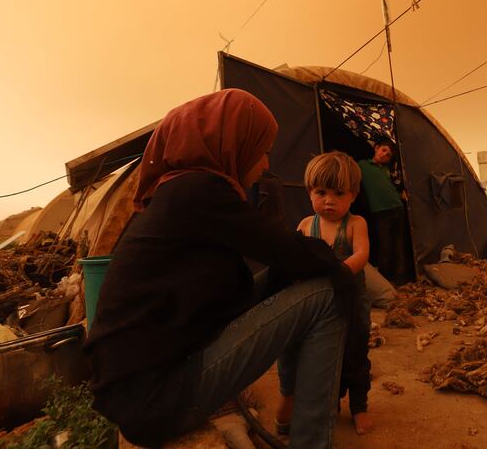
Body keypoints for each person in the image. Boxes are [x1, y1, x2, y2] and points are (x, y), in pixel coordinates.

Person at [83, 89, 355, 449]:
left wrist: (302, 265)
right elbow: (284, 247)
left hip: (142, 393)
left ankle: (293, 416)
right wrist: (341, 274)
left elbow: (271, 262)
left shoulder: (179, 192)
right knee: (327, 293)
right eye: (261, 150)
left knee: (302, 274)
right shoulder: (198, 190)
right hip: (159, 399)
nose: (265, 164)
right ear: (231, 143)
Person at [276, 151, 375, 435]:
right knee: (321, 357)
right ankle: (329, 403)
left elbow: (362, 254)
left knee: (354, 354)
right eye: (321, 192)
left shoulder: (356, 224)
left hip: (351, 304)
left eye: (338, 193)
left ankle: (359, 405)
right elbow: (295, 255)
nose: (329, 200)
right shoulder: (306, 225)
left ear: (353, 195)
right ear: (309, 192)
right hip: (318, 307)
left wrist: (340, 271)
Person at [358, 137, 411, 285]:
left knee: (399, 246)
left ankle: (400, 281)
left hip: (397, 208)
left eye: (388, 155)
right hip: (380, 212)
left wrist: (402, 194)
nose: (384, 155)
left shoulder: (389, 170)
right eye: (383, 150)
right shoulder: (363, 165)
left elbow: (395, 186)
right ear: (376, 148)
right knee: (385, 247)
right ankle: (384, 281)